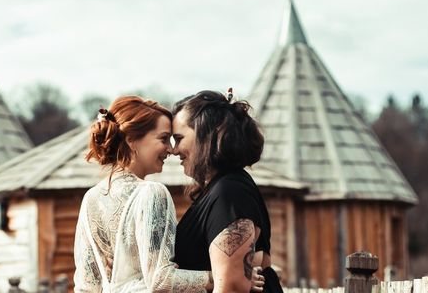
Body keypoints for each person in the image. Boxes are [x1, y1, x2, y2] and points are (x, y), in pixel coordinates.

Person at [73, 95, 265, 292]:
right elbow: (160, 279)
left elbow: (85, 285)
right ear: (131, 140)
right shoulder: (151, 192)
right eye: (163, 139)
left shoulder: (91, 198)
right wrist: (223, 276)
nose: (170, 149)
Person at [172, 89, 283, 293]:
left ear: (207, 134)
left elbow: (231, 287)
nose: (173, 150)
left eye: (179, 139)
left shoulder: (229, 192)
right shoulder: (221, 188)